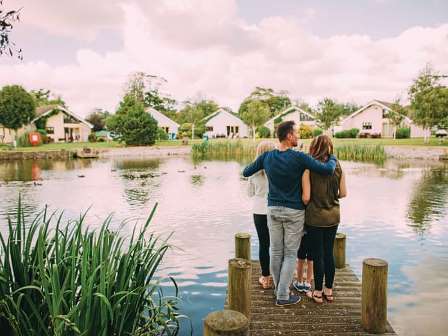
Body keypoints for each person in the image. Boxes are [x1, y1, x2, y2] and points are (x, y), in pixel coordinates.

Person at [242, 121, 337, 306]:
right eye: (297, 133)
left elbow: (246, 171)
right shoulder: (299, 158)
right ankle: (283, 295)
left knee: (276, 252)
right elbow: (327, 169)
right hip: (294, 211)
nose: (299, 136)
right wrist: (331, 156)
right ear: (289, 136)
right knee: (290, 254)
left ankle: (279, 290)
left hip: (273, 210)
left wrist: (263, 164)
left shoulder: (267, 157)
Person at [303, 135, 347, 304]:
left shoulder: (308, 168)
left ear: (313, 147)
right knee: (329, 253)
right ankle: (329, 290)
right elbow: (343, 193)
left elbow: (306, 198)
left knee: (317, 254)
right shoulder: (338, 166)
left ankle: (318, 291)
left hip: (315, 217)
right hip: (333, 216)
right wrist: (330, 198)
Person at [248, 141, 276, 289]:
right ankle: (280, 278)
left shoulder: (253, 171)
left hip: (259, 211)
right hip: (276, 209)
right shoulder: (279, 170)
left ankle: (265, 278)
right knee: (278, 245)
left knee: (264, 245)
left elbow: (249, 193)